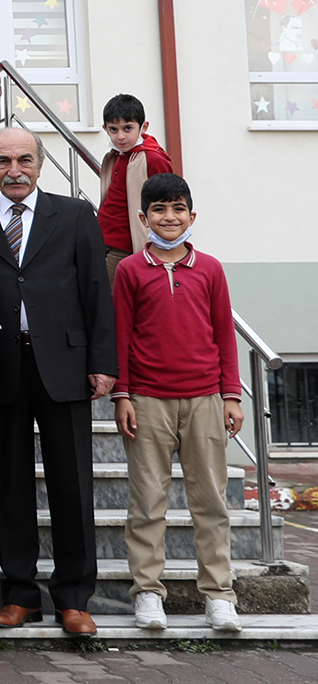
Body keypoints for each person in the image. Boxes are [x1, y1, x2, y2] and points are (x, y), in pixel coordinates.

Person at [0, 128, 114, 636]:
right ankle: (19, 593)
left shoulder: (73, 215)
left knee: (72, 484)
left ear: (40, 164)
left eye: (24, 159)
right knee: (8, 486)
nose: (14, 170)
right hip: (0, 368)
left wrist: (103, 361)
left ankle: (74, 597)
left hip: (65, 363)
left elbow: (97, 290)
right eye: (3, 161)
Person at [112, 174, 244, 635]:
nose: (169, 218)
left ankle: (219, 595)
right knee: (147, 500)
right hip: (147, 400)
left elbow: (224, 334)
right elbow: (121, 336)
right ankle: (148, 592)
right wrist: (122, 394)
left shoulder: (209, 268)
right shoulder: (130, 269)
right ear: (143, 218)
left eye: (178, 209)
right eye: (160, 211)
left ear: (192, 215)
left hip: (206, 397)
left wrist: (231, 393)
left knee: (210, 502)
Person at [97, 94, 174, 278]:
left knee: (110, 298)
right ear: (105, 129)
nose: (120, 136)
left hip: (127, 246)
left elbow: (168, 204)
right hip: (102, 239)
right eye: (113, 129)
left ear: (143, 127)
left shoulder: (153, 158)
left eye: (128, 128)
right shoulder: (115, 155)